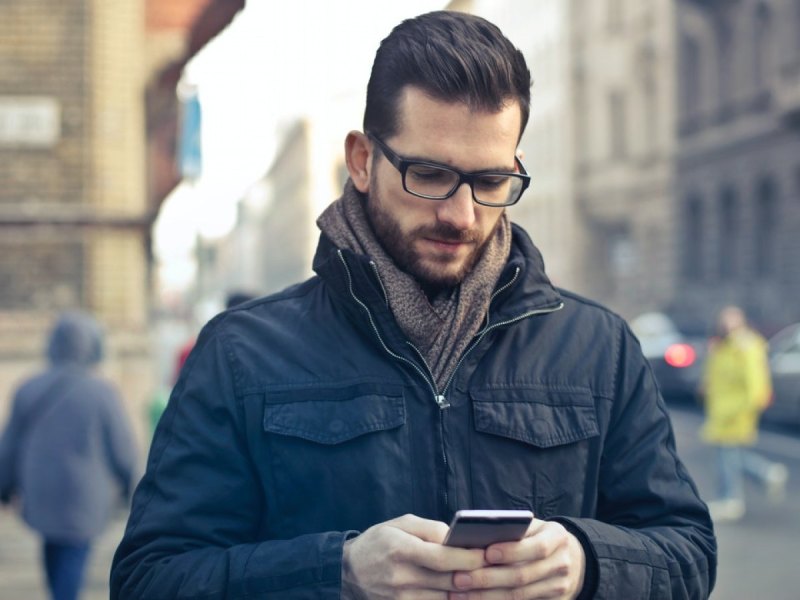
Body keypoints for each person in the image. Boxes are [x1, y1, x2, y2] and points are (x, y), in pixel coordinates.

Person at [111, 11, 716, 599]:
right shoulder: (241, 352)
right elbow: (149, 578)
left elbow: (689, 552)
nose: (460, 214)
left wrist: (587, 563)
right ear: (362, 161)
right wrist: (337, 573)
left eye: (488, 181)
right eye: (429, 174)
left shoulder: (600, 347)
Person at [0, 311, 138, 600]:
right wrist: (131, 486)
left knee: (53, 548)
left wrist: (4, 486)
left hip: (40, 489)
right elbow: (122, 446)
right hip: (84, 494)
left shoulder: (29, 388)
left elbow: (9, 444)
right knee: (73, 555)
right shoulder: (102, 392)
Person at [701, 305, 788, 522]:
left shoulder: (746, 346)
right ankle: (767, 472)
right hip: (721, 409)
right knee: (729, 454)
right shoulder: (723, 345)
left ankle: (730, 498)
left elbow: (755, 384)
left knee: (726, 454)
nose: (726, 324)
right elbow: (715, 374)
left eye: (731, 319)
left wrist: (746, 407)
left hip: (735, 410)